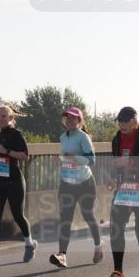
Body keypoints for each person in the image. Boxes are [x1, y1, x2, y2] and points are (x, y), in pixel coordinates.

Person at [99, 107, 139, 277]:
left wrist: (131, 162)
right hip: (124, 189)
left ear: (135, 122)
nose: (123, 125)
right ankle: (118, 273)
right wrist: (112, 177)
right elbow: (116, 164)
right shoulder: (117, 139)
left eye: (126, 122)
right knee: (115, 229)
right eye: (120, 122)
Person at [0, 106, 37, 265]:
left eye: (4, 116)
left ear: (11, 118)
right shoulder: (0, 133)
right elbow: (3, 156)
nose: (0, 118)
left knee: (18, 216)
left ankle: (29, 244)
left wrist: (6, 151)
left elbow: (25, 156)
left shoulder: (16, 134)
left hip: (14, 181)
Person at [50, 107, 102, 268]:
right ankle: (62, 255)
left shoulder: (83, 137)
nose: (70, 121)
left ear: (80, 121)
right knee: (65, 219)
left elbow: (91, 160)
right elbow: (67, 158)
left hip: (85, 183)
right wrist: (61, 160)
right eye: (67, 118)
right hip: (67, 182)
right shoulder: (63, 137)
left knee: (88, 216)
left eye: (73, 118)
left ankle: (98, 247)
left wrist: (74, 158)